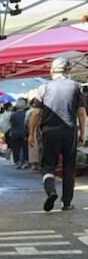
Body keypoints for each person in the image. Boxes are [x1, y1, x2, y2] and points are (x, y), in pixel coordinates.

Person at [29, 57, 87, 211]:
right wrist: (83, 133)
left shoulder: (43, 88)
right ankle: (66, 202)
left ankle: (51, 190)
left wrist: (31, 134)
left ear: (51, 71)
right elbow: (81, 112)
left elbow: (35, 113)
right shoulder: (76, 87)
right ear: (68, 71)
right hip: (70, 131)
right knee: (69, 166)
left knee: (48, 165)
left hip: (49, 131)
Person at [8, 97, 29, 168]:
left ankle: (17, 162)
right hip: (24, 133)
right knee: (25, 148)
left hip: (15, 133)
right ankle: (25, 161)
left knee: (16, 148)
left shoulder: (13, 114)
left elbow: (11, 123)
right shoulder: (26, 114)